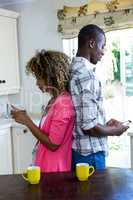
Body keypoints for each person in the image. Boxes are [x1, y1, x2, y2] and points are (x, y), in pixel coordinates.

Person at [70, 24, 129, 170]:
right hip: (91, 153)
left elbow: (83, 118)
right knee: (96, 193)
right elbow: (88, 127)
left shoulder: (72, 69)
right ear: (91, 43)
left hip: (78, 151)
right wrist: (116, 131)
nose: (103, 52)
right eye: (102, 46)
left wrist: (103, 124)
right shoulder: (88, 76)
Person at [11, 50, 75, 172]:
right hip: (45, 165)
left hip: (55, 169)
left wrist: (27, 122)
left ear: (51, 77)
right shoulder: (55, 100)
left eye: (39, 78)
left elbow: (53, 144)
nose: (37, 83)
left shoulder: (64, 103)